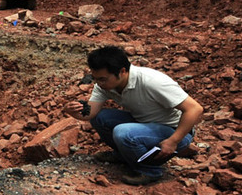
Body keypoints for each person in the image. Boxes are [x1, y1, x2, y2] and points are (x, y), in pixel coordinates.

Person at [64, 45, 204, 185]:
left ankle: (150, 171)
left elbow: (195, 109)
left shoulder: (152, 81)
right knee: (100, 117)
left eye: (103, 79)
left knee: (123, 132)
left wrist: (173, 141)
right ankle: (123, 155)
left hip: (175, 131)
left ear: (122, 71)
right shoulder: (104, 85)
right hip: (144, 124)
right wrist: (72, 111)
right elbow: (90, 113)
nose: (99, 84)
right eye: (96, 79)